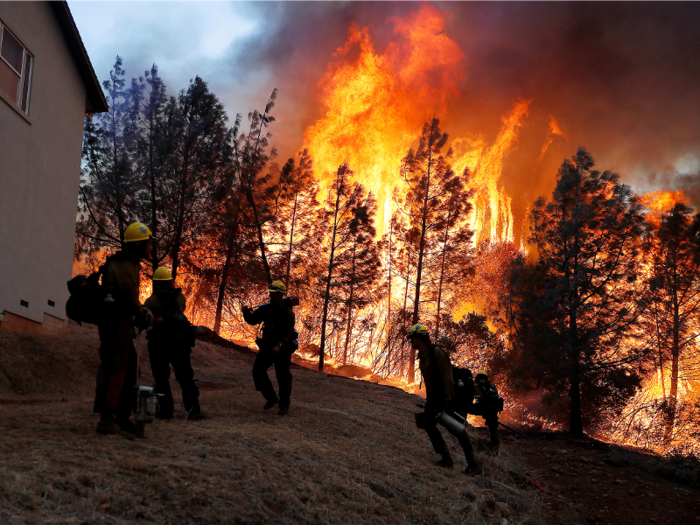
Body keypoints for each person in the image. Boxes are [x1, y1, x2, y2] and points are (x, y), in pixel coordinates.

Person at [94, 222, 154, 438]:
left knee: (129, 370)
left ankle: (120, 417)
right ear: (139, 244)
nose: (150, 248)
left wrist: (139, 312)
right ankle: (107, 419)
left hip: (117, 322)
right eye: (148, 244)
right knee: (118, 369)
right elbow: (129, 299)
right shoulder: (126, 265)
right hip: (116, 323)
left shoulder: (124, 262)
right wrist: (142, 314)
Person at [410, 324, 482, 475]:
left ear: (419, 338)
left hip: (448, 397)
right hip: (435, 398)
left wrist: (448, 397)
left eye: (412, 338)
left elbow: (447, 375)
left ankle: (474, 465)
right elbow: (430, 382)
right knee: (427, 423)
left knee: (458, 431)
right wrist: (430, 401)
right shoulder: (422, 357)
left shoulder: (436, 352)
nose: (411, 341)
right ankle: (446, 458)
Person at [144, 267, 203, 421]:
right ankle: (193, 410)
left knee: (162, 378)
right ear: (170, 281)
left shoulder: (151, 301)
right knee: (185, 377)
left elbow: (147, 319)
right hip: (180, 342)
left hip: (159, 344)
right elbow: (181, 310)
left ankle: (166, 411)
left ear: (155, 283)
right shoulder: (180, 297)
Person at [242, 281, 296, 415]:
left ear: (279, 294)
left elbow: (288, 333)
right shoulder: (267, 308)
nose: (270, 296)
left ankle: (284, 406)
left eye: (272, 293)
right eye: (270, 293)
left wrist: (279, 346)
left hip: (282, 349)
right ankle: (271, 398)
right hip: (267, 346)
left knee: (283, 376)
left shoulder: (288, 312)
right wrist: (246, 313)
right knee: (258, 371)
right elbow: (253, 320)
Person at [468, 370, 501, 452]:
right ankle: (496, 448)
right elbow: (497, 397)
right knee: (493, 429)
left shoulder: (474, 385)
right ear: (486, 377)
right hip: (492, 410)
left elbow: (469, 397)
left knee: (466, 408)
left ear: (477, 377)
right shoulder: (492, 386)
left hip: (480, 408)